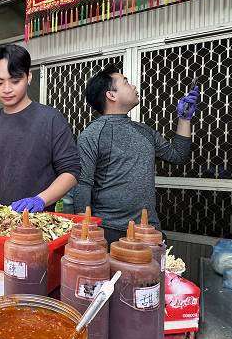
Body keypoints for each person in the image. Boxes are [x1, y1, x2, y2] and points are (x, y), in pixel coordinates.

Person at [74, 67, 199, 243]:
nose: (133, 86)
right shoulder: (92, 134)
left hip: (148, 229)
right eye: (125, 82)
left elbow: (178, 155)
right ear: (111, 95)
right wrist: (85, 233)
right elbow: (83, 184)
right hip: (108, 230)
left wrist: (185, 119)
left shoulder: (145, 131)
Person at [0, 44, 80, 212]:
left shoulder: (51, 119)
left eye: (15, 81)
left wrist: (40, 200)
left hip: (34, 223)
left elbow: (70, 172)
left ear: (28, 77)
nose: (7, 89)